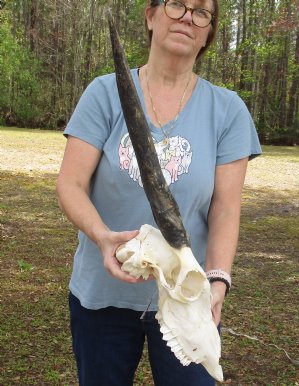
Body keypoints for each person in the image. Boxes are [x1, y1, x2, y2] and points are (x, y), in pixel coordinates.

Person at [56, 0, 262, 385]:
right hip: (103, 294)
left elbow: (225, 208)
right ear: (151, 16)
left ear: (208, 33)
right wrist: (102, 238)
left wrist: (217, 279)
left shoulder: (227, 110)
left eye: (202, 12)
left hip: (188, 295)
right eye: (176, 5)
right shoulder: (103, 93)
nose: (188, 16)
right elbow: (71, 184)